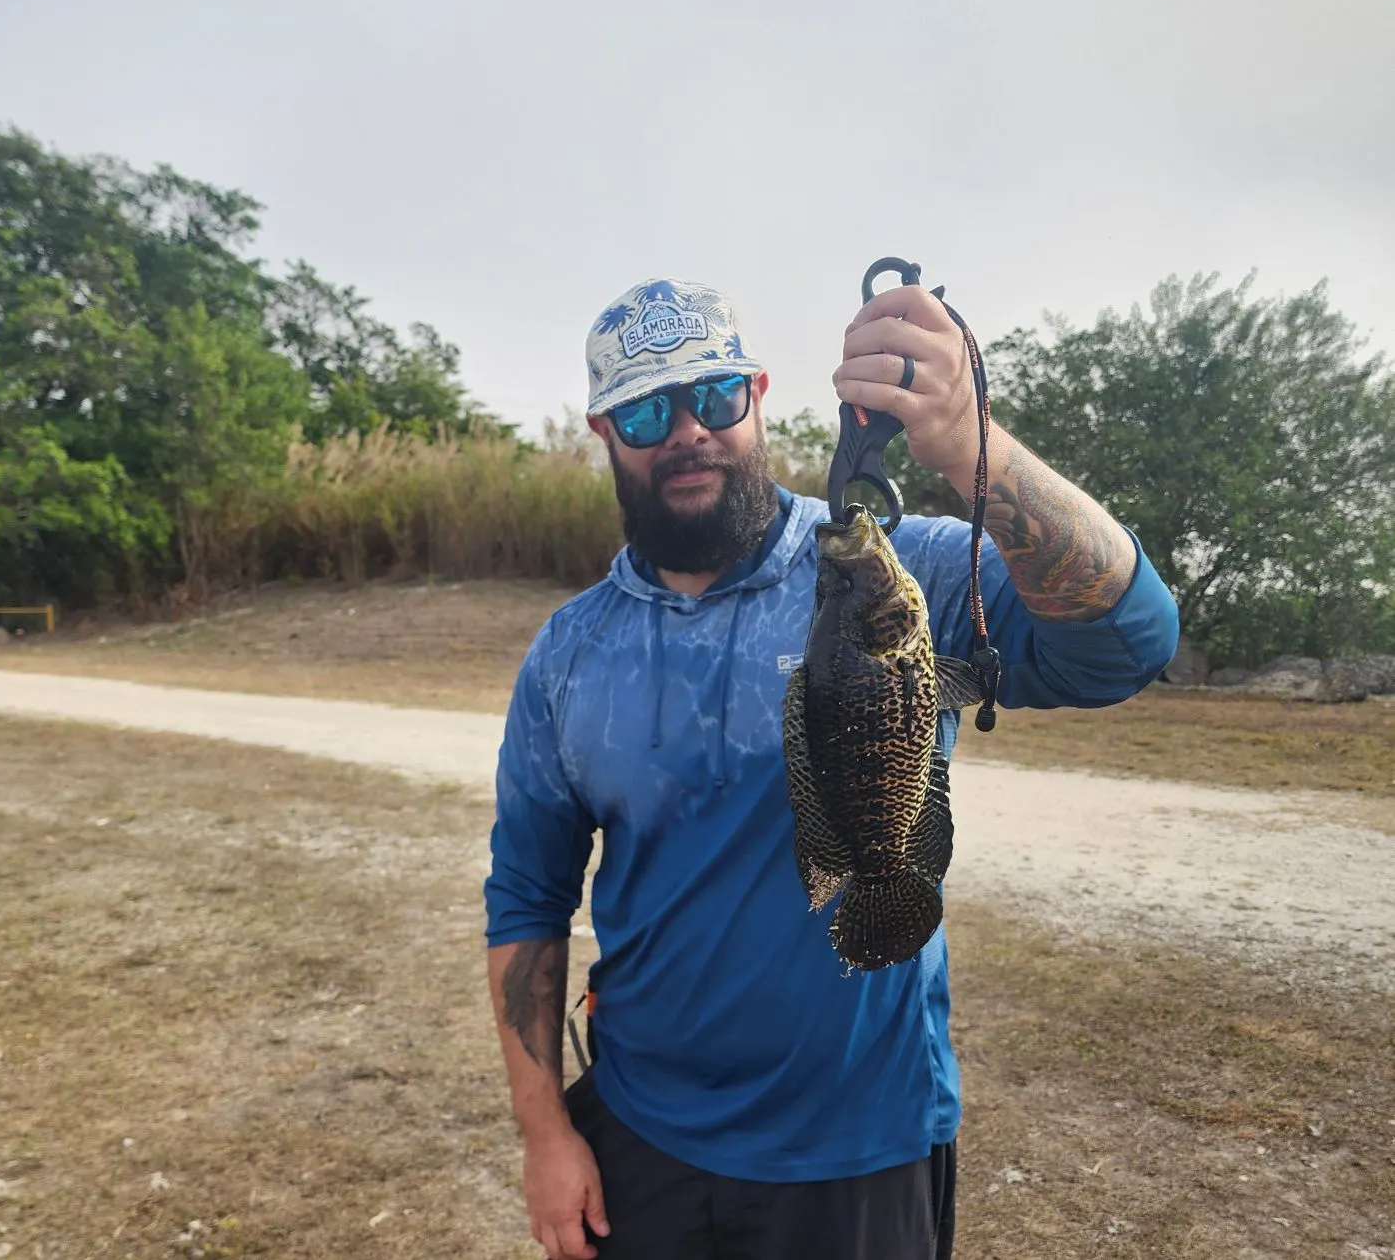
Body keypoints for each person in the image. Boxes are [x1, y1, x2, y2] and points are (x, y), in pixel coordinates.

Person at [484, 277, 1179, 1260]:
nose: (687, 430)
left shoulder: (895, 570)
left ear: (759, 396)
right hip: (643, 1135)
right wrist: (546, 1133)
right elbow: (526, 900)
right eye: (646, 410)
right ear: (605, 432)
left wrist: (972, 447)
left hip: (863, 1147)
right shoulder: (569, 652)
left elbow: (1130, 640)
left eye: (714, 397)